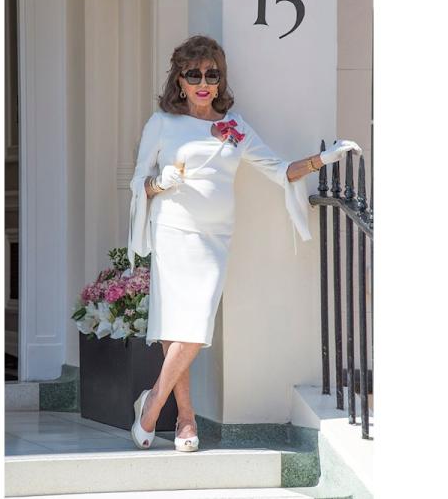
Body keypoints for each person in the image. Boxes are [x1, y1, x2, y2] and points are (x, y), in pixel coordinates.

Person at [126, 35, 359, 452]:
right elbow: (137, 181)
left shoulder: (233, 128)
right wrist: (159, 183)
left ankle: (151, 403)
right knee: (179, 325)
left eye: (211, 74)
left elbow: (279, 169)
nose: (202, 82)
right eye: (193, 74)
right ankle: (185, 419)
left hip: (216, 236)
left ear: (220, 80)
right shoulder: (163, 123)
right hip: (174, 230)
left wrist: (323, 159)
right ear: (179, 80)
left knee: (194, 326)